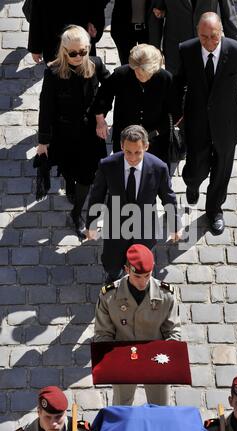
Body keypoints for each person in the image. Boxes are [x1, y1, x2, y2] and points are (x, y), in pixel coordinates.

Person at [174, 12, 237, 235]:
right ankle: (192, 184)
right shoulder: (187, 50)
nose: (209, 42)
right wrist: (175, 112)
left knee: (222, 170)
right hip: (197, 122)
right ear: (197, 33)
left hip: (227, 123)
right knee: (195, 167)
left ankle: (214, 210)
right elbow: (179, 83)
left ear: (221, 31)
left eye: (214, 36)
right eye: (204, 37)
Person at [37, 25, 109, 238]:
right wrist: (43, 141)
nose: (79, 56)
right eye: (74, 53)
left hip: (89, 133)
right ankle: (69, 184)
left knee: (87, 176)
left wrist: (100, 115)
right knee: (68, 170)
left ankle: (77, 213)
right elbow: (46, 108)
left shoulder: (95, 64)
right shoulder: (53, 73)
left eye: (84, 51)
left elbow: (110, 86)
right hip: (63, 132)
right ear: (64, 50)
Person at [85, 125, 182, 282]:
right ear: (122, 146)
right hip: (116, 225)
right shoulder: (107, 165)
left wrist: (175, 225)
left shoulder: (159, 168)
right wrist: (91, 223)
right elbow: (97, 195)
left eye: (138, 152)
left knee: (141, 265)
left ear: (146, 146)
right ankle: (115, 278)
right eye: (128, 152)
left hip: (144, 227)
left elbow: (168, 197)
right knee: (112, 264)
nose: (132, 157)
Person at [94, 243, 181, 406]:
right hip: (123, 360)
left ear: (153, 268)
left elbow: (173, 331)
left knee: (160, 407)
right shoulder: (109, 297)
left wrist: (166, 356)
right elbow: (102, 334)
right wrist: (112, 360)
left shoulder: (166, 295)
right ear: (127, 270)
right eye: (137, 277)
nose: (143, 282)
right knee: (122, 407)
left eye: (147, 276)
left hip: (156, 360)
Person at [94, 44, 174, 170]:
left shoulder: (166, 79)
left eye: (145, 72)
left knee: (153, 175)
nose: (140, 75)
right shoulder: (121, 74)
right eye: (136, 71)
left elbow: (174, 110)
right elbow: (103, 95)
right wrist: (100, 119)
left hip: (156, 137)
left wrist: (156, 132)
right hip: (125, 134)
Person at [152, 0, 237, 75]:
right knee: (176, 93)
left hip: (210, 51)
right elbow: (156, 13)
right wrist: (154, 50)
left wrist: (236, 54)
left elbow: (229, 15)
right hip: (176, 51)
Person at [6, 386, 89, 431]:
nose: (53, 424)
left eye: (58, 417)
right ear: (39, 413)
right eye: (48, 417)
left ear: (65, 413)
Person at [27, 0, 107, 63]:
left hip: (82, 29)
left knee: (84, 70)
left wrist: (95, 23)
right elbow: (36, 14)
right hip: (53, 35)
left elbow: (99, 4)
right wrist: (35, 48)